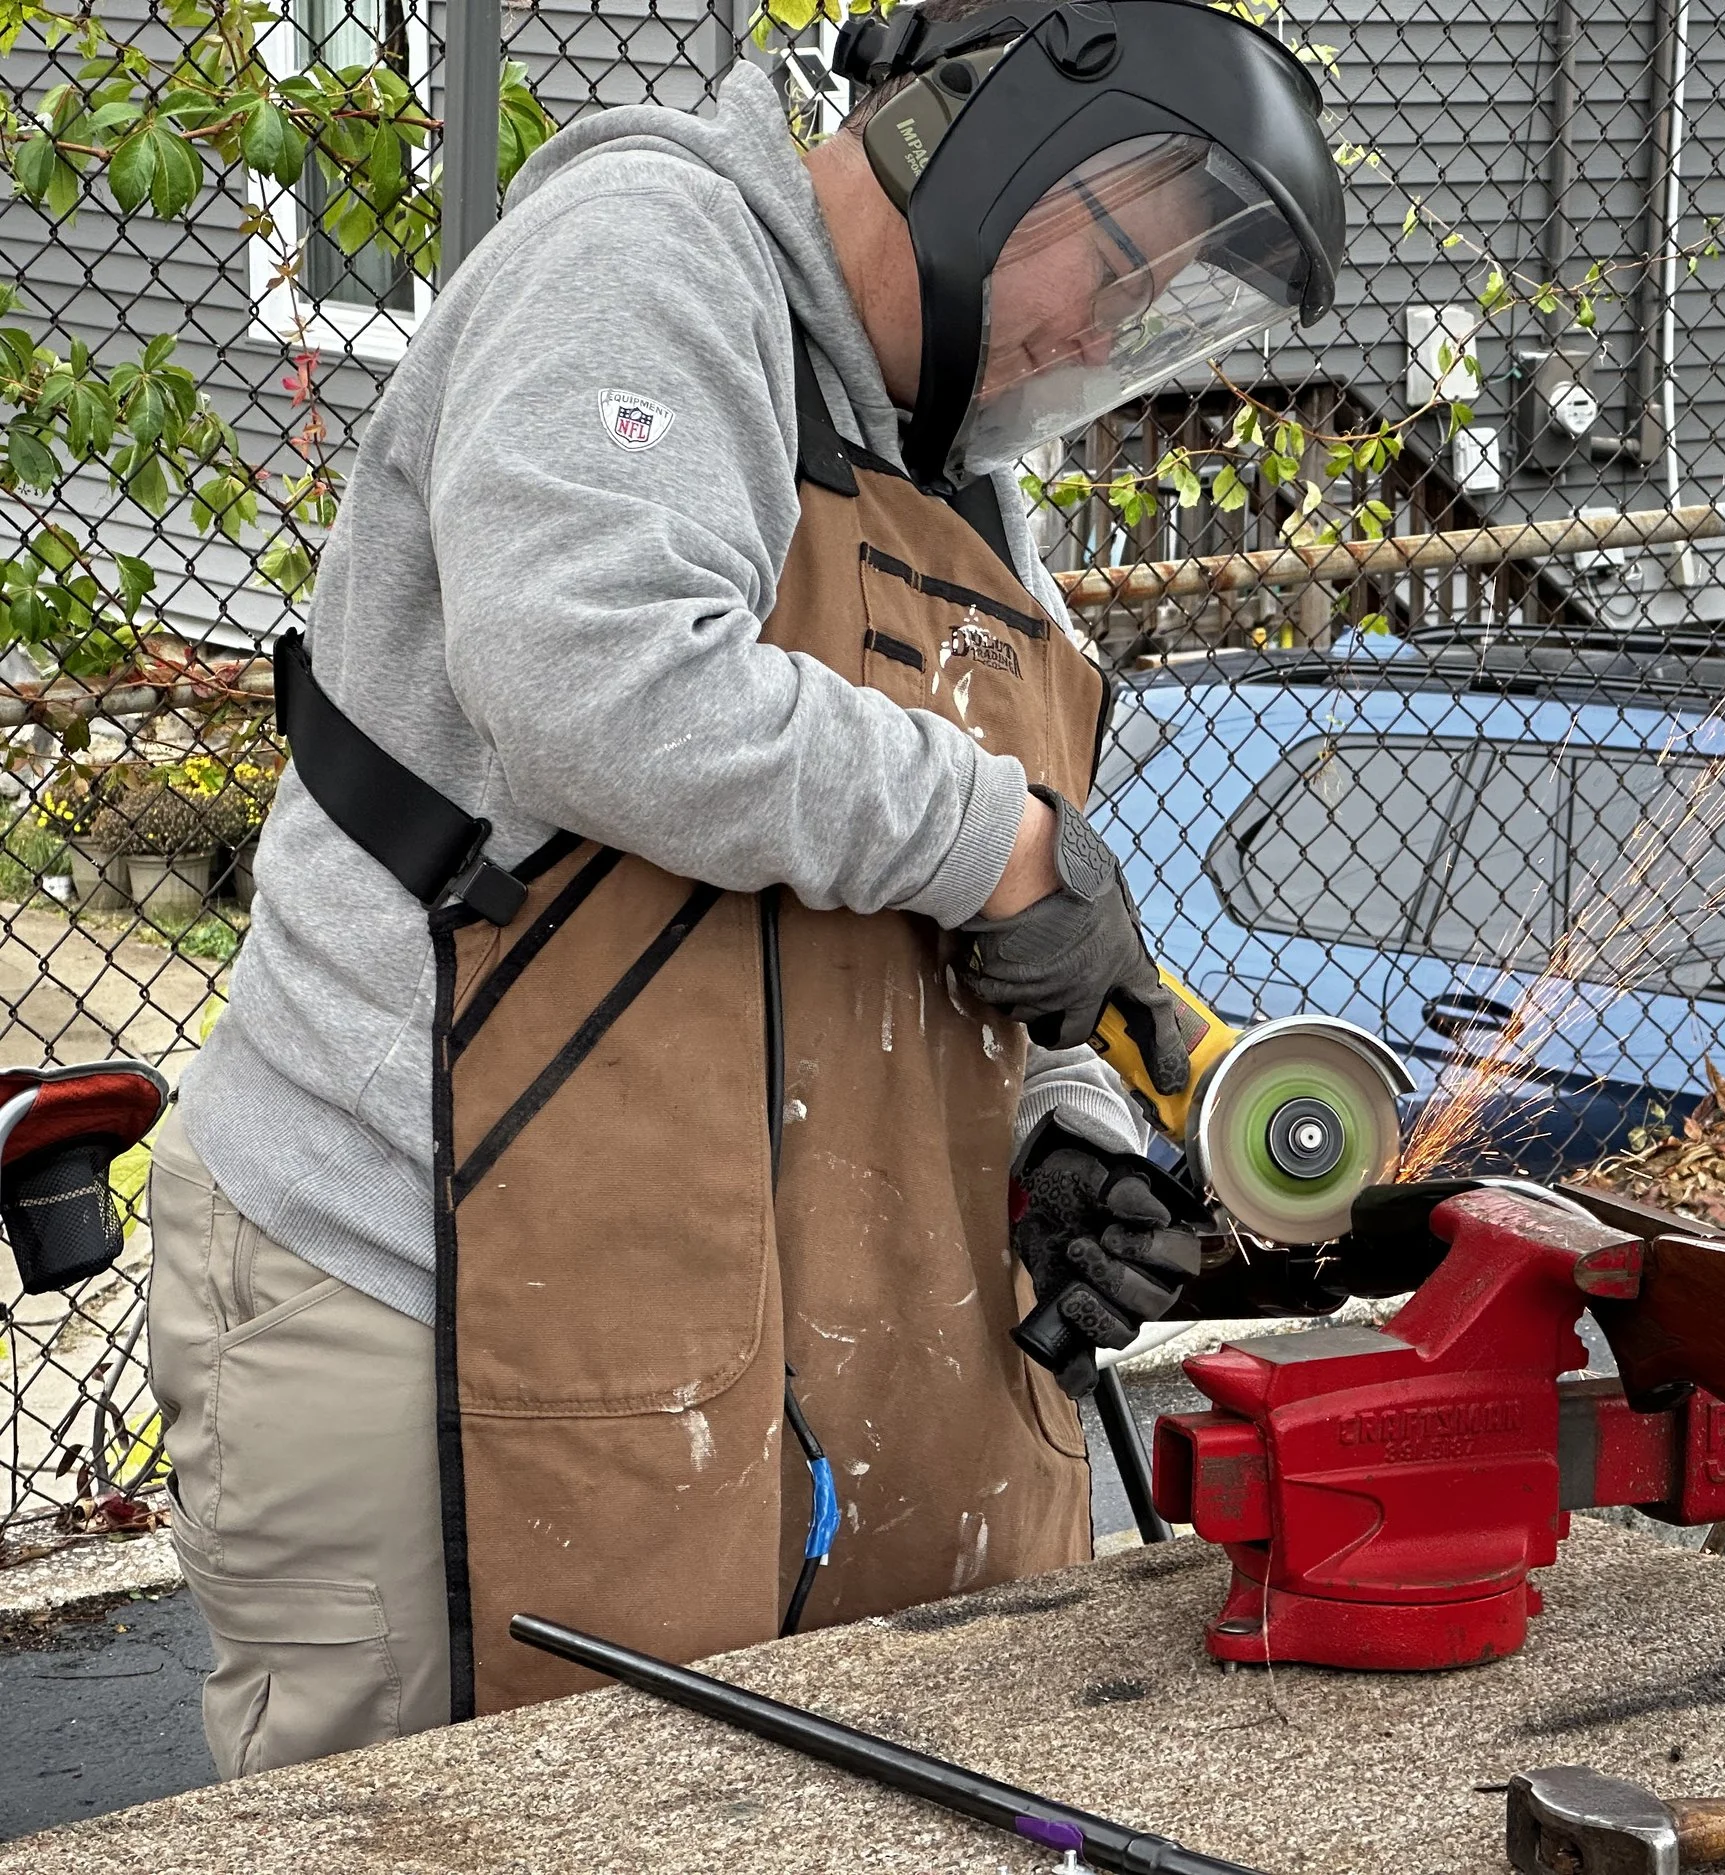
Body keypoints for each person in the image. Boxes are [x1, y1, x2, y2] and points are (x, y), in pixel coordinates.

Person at [148, 0, 1345, 1774]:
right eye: (1106, 254)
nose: (1103, 329)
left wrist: (1069, 1122)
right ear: (971, 142)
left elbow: (957, 900)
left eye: (1147, 304)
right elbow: (597, 681)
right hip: (405, 1279)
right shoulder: (646, 254)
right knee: (410, 1821)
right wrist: (1010, 843)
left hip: (724, 1311)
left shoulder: (976, 494)